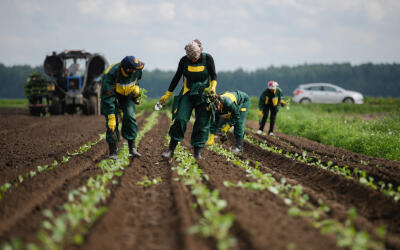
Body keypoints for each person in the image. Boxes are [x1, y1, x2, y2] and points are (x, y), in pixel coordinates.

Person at [159, 39, 218, 160]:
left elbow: (213, 75)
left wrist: (213, 88)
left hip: (204, 95)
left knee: (202, 123)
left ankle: (198, 153)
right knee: (180, 119)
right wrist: (167, 94)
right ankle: (170, 149)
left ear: (200, 51)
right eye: (191, 59)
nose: (193, 60)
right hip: (188, 93)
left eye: (195, 58)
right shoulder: (184, 60)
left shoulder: (208, 59)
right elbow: (177, 77)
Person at [101, 56, 144, 159]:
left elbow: (136, 80)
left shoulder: (137, 70)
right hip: (111, 96)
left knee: (129, 117)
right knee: (112, 123)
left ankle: (132, 149)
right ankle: (113, 151)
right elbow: (108, 97)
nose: (136, 71)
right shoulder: (111, 74)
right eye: (134, 69)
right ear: (127, 69)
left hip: (127, 96)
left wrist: (136, 88)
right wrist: (111, 116)